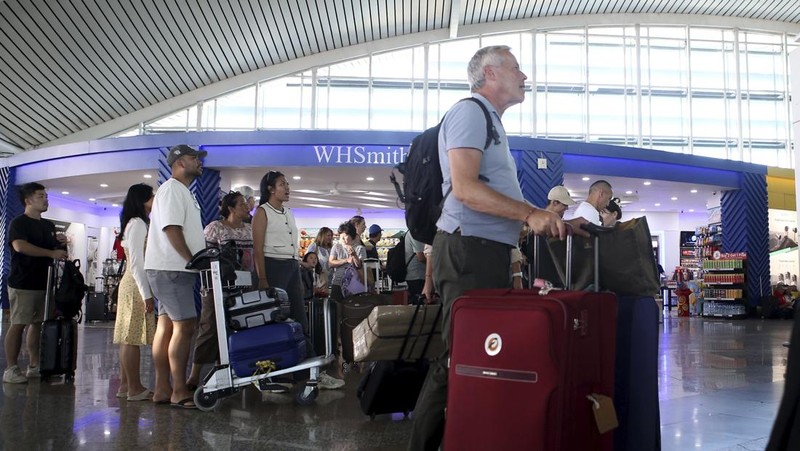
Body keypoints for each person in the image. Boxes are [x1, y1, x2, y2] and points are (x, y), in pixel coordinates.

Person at [408, 45, 586, 450]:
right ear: (490, 73)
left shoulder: (490, 122)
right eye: (517, 68)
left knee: (472, 353)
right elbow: (466, 189)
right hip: (467, 251)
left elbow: (491, 199)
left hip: (483, 251)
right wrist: (529, 214)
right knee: (459, 355)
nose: (525, 77)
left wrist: (552, 219)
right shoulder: (470, 113)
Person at [252, 170, 344, 390]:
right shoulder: (262, 212)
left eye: (287, 184)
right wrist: (263, 278)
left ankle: (310, 373)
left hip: (291, 267)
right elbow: (257, 249)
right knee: (272, 323)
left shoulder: (288, 212)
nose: (287, 187)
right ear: (270, 189)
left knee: (299, 321)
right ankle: (267, 376)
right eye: (282, 184)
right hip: (272, 267)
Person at [144, 144, 207, 408]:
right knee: (186, 326)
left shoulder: (182, 191)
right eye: (195, 158)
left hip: (172, 268)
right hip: (172, 269)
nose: (199, 162)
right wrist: (191, 259)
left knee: (167, 326)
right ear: (180, 162)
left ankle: (162, 388)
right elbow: (171, 228)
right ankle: (179, 390)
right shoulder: (171, 189)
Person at [186, 191, 254, 391]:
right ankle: (194, 374)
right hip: (215, 285)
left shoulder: (250, 230)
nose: (246, 207)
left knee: (238, 326)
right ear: (230, 208)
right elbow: (204, 258)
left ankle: (227, 370)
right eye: (241, 204)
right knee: (209, 327)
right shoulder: (215, 229)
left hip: (243, 285)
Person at [3, 183, 68, 384]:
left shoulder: (47, 226)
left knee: (37, 324)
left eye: (46, 196)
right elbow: (20, 246)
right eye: (41, 196)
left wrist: (60, 243)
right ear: (28, 200)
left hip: (44, 283)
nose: (45, 199)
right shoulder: (19, 223)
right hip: (23, 282)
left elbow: (54, 249)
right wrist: (50, 252)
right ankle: (11, 368)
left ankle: (34, 364)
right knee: (18, 323)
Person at [113, 183, 156, 401]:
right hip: (135, 285)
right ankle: (135, 388)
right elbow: (137, 264)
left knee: (127, 337)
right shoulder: (139, 224)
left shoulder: (133, 223)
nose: (155, 199)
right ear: (142, 201)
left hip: (130, 284)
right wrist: (146, 293)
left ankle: (124, 385)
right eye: (152, 196)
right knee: (131, 338)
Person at [329, 221, 367, 302]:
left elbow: (360, 266)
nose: (342, 239)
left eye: (345, 236)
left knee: (352, 309)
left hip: (354, 284)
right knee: (336, 309)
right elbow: (331, 263)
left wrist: (354, 255)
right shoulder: (336, 247)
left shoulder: (360, 248)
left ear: (351, 236)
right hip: (337, 283)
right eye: (340, 236)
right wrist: (346, 260)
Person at [404, 231, 427, 300]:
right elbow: (421, 257)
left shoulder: (413, 232)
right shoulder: (415, 233)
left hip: (415, 275)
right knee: (421, 303)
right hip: (417, 275)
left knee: (418, 303)